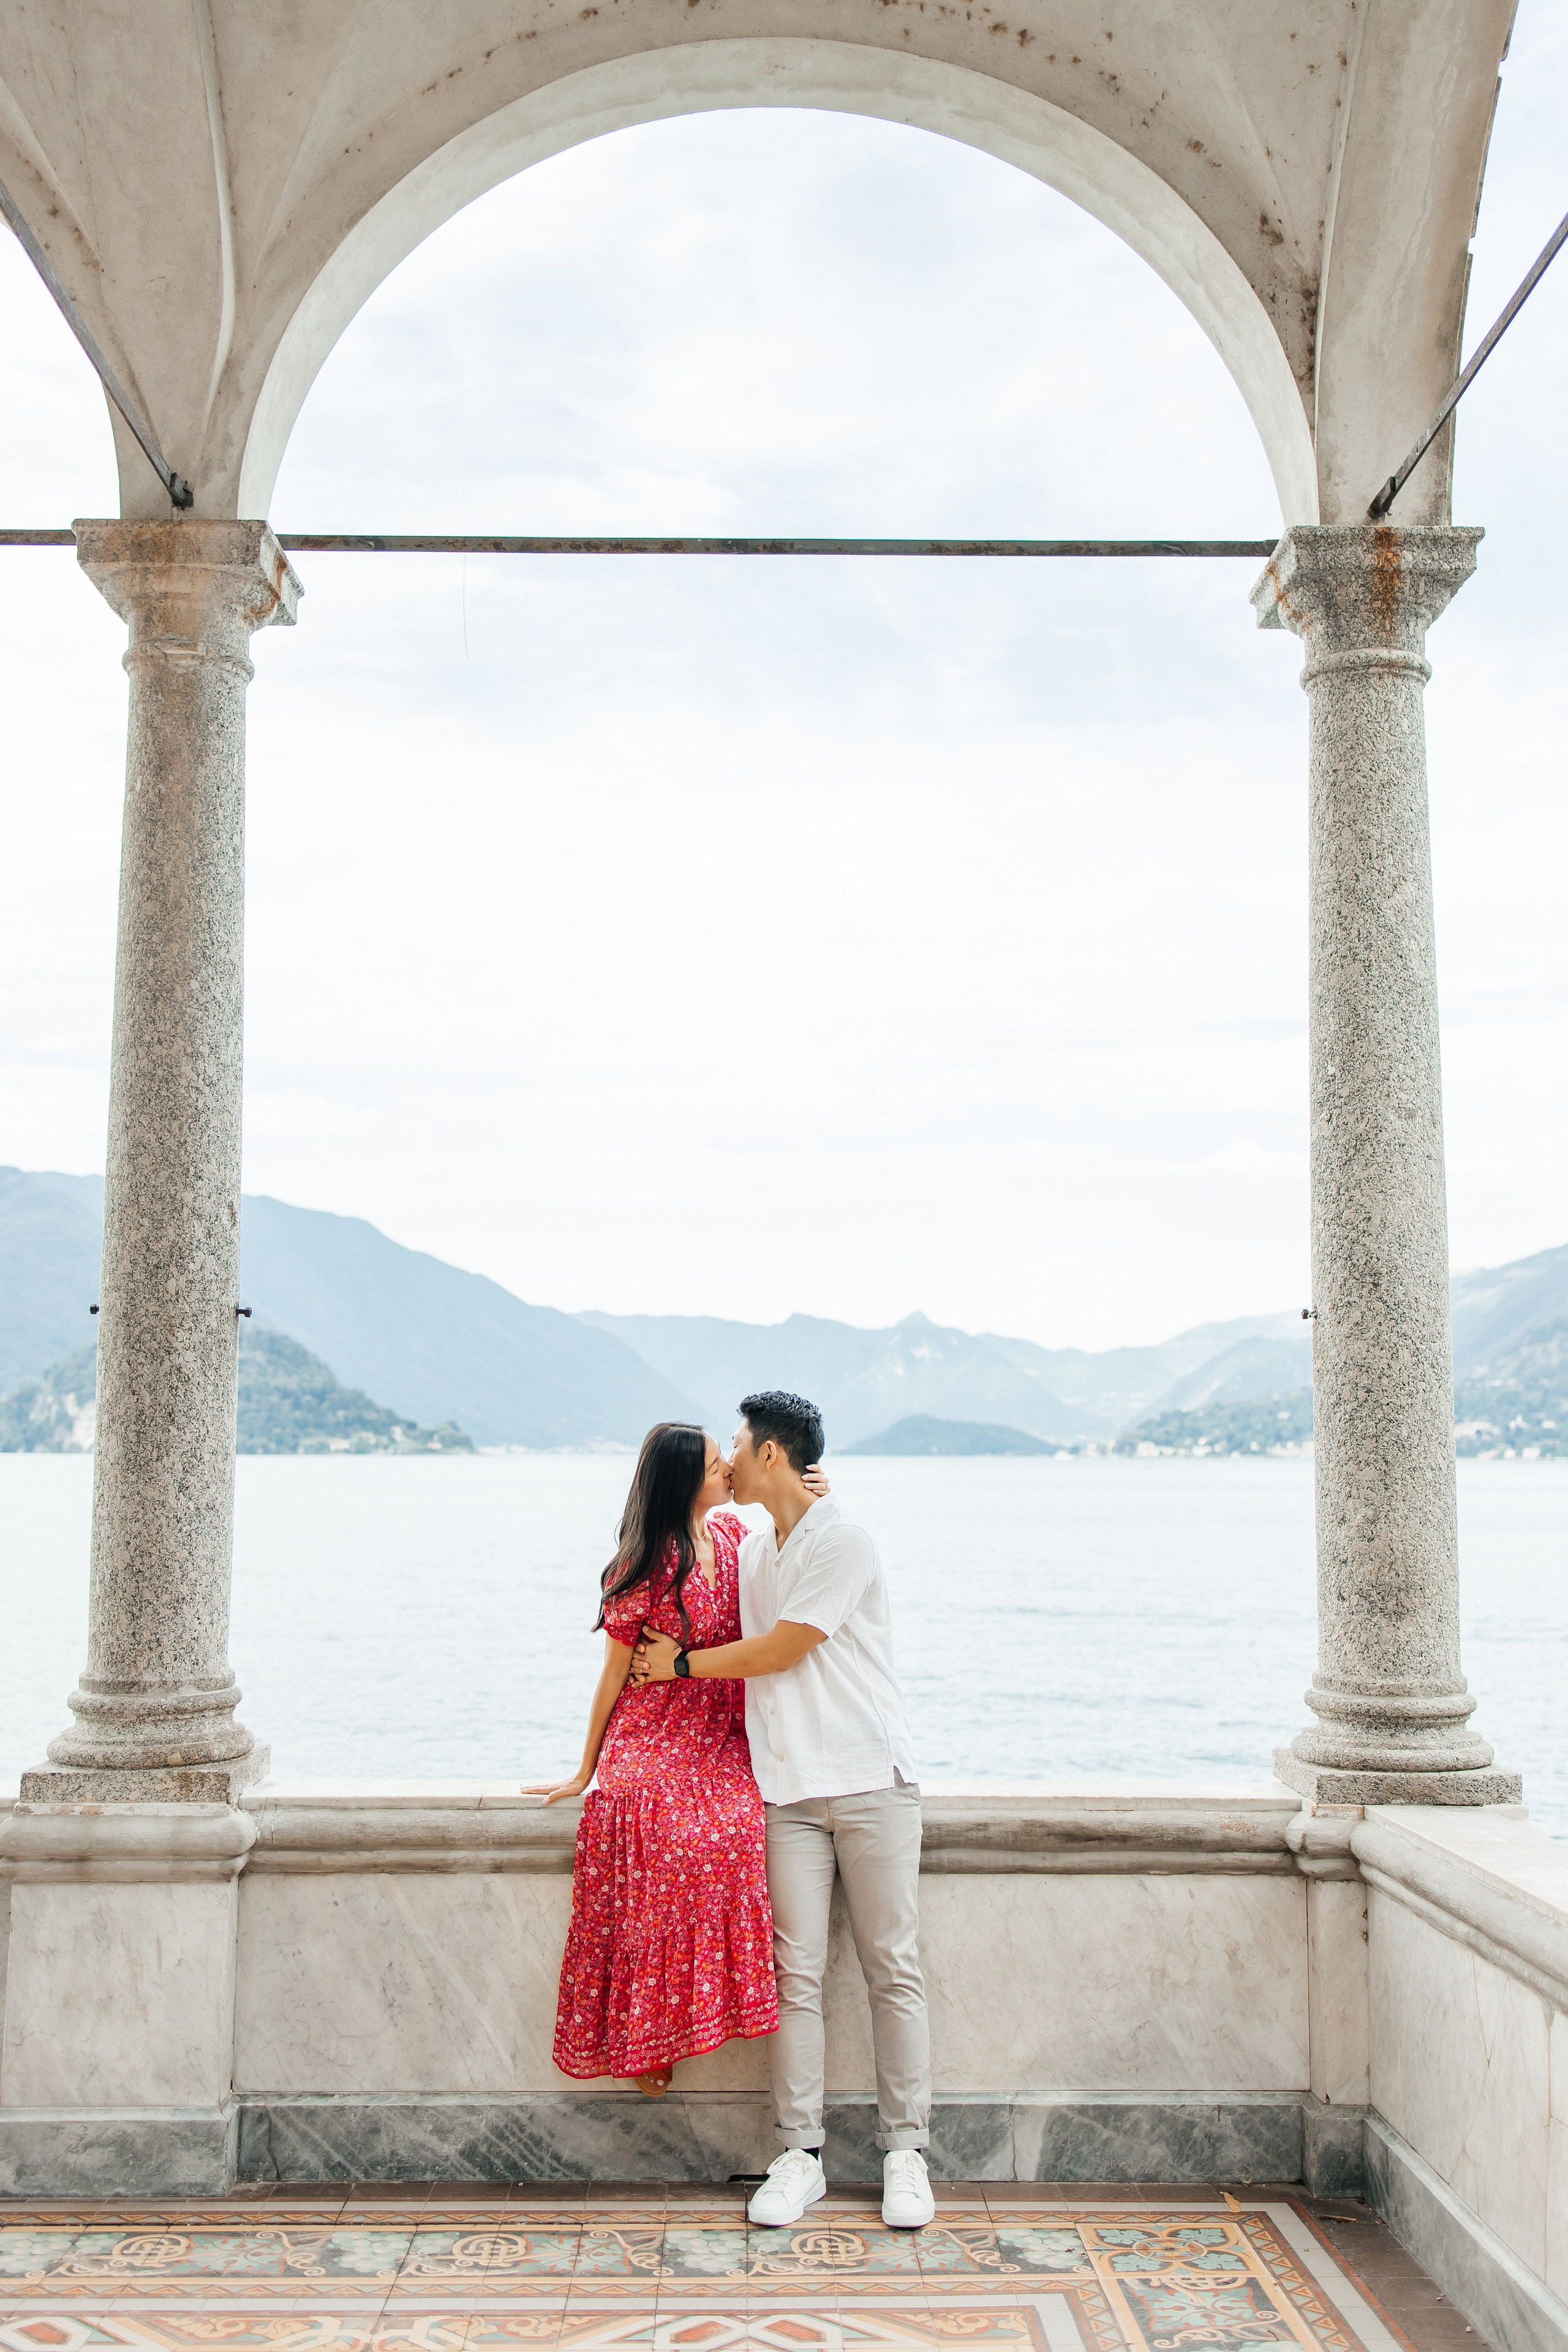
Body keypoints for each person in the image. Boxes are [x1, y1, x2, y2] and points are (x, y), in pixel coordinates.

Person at [630, 1389, 934, 2231]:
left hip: (871, 1780)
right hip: (788, 1793)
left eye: (737, 1444)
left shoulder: (845, 1541)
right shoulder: (754, 1544)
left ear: (771, 1454)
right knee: (793, 1976)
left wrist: (680, 1666)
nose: (727, 1458)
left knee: (892, 1968)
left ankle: (906, 2154)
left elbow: (783, 1648)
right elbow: (682, 1542)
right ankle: (800, 2156)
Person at [525, 1423, 821, 2095]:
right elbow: (612, 1674)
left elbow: (797, 1542)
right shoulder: (643, 1564)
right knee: (664, 1837)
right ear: (685, 1482)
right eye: (716, 1466)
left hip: (719, 1731)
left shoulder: (735, 1538)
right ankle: (646, 2031)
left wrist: (817, 1491)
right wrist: (586, 1767)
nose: (729, 1470)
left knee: (736, 1832)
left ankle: (704, 2011)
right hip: (651, 1730)